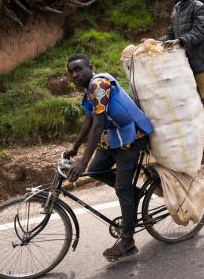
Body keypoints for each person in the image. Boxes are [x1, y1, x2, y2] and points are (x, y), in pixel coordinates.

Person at [65, 54, 153, 260]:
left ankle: (128, 241)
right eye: (71, 72)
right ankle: (133, 193)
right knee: (96, 170)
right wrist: (75, 148)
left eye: (78, 69)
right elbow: (88, 119)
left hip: (133, 136)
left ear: (90, 67)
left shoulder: (99, 85)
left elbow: (97, 125)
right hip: (116, 136)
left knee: (121, 187)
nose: (74, 74)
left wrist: (82, 161)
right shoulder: (88, 92)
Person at [158, 0, 204, 146]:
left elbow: (199, 32)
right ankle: (200, 130)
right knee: (190, 98)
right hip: (184, 63)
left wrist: (180, 41)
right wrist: (157, 41)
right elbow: (171, 34)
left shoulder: (201, 9)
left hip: (201, 62)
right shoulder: (176, 9)